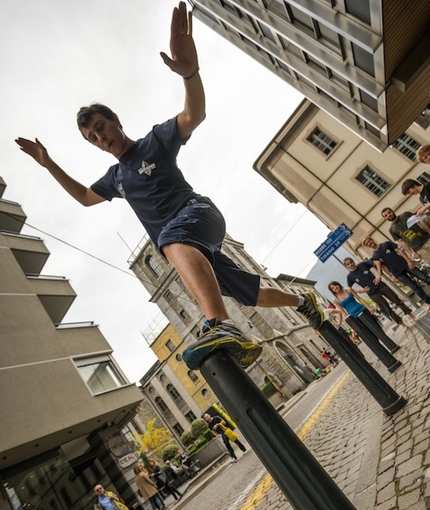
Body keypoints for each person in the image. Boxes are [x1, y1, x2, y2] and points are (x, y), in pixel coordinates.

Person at [15, 2, 325, 374]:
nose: (100, 137)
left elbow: (194, 115)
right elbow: (83, 198)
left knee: (171, 241)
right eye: (92, 137)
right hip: (187, 243)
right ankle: (303, 301)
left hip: (197, 215)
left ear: (115, 121)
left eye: (102, 126)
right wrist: (49, 164)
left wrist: (190, 73)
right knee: (248, 291)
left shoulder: (155, 141)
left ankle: (221, 326)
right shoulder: (115, 178)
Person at [327, 281, 400, 353]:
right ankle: (382, 350)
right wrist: (349, 321)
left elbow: (359, 298)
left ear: (338, 285)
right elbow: (342, 311)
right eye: (332, 288)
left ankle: (390, 345)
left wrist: (368, 307)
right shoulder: (336, 300)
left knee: (377, 327)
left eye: (335, 285)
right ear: (332, 291)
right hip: (355, 317)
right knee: (368, 334)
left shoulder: (348, 290)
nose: (335, 288)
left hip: (363, 310)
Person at [343, 256, 414, 329]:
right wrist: (360, 291)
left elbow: (377, 262)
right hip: (372, 293)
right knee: (387, 309)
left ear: (353, 261)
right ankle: (403, 325)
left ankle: (412, 316)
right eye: (348, 264)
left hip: (381, 285)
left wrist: (379, 275)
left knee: (397, 300)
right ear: (346, 266)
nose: (350, 264)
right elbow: (349, 289)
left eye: (351, 262)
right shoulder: (350, 277)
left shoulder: (362, 265)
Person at [361, 237, 430, 307]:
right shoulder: (375, 256)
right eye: (367, 244)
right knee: (414, 287)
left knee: (424, 278)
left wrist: (409, 261)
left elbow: (399, 251)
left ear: (372, 240)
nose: (369, 243)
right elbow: (384, 267)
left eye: (369, 241)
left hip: (406, 265)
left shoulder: (386, 244)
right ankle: (428, 301)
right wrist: (391, 276)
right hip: (398, 273)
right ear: (367, 246)